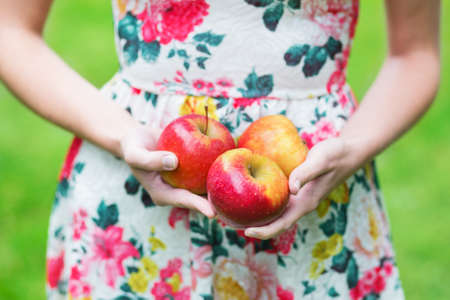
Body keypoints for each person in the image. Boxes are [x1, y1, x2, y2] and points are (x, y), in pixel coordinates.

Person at [0, 0, 440, 299]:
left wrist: (350, 150)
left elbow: (415, 54)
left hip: (314, 192)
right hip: (136, 192)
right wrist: (120, 134)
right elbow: (11, 30)